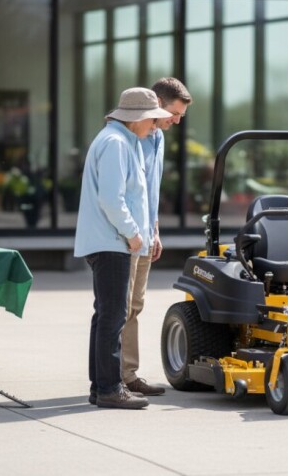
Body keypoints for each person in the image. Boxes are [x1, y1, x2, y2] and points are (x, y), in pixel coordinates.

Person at [74, 87, 172, 409]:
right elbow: (112, 199)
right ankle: (110, 388)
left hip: (107, 240)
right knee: (114, 316)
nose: (155, 126)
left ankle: (100, 386)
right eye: (152, 120)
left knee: (105, 316)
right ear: (137, 119)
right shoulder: (117, 144)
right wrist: (133, 233)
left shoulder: (118, 140)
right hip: (112, 242)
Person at [121, 78, 193, 396]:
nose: (176, 121)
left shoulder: (158, 138)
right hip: (126, 236)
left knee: (135, 305)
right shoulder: (130, 136)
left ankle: (127, 374)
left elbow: (151, 189)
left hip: (146, 234)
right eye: (174, 113)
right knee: (119, 307)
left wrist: (155, 229)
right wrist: (133, 232)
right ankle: (114, 378)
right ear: (158, 103)